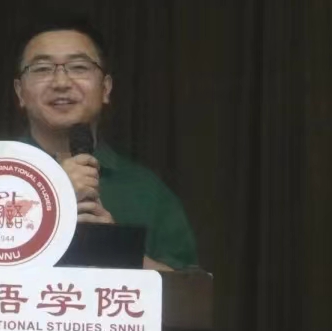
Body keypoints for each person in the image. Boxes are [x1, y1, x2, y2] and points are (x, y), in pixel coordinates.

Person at [12, 18, 199, 270]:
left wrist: (112, 245)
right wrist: (53, 192)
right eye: (42, 69)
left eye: (79, 67)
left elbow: (186, 290)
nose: (61, 83)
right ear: (20, 92)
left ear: (106, 88)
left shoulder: (145, 190)